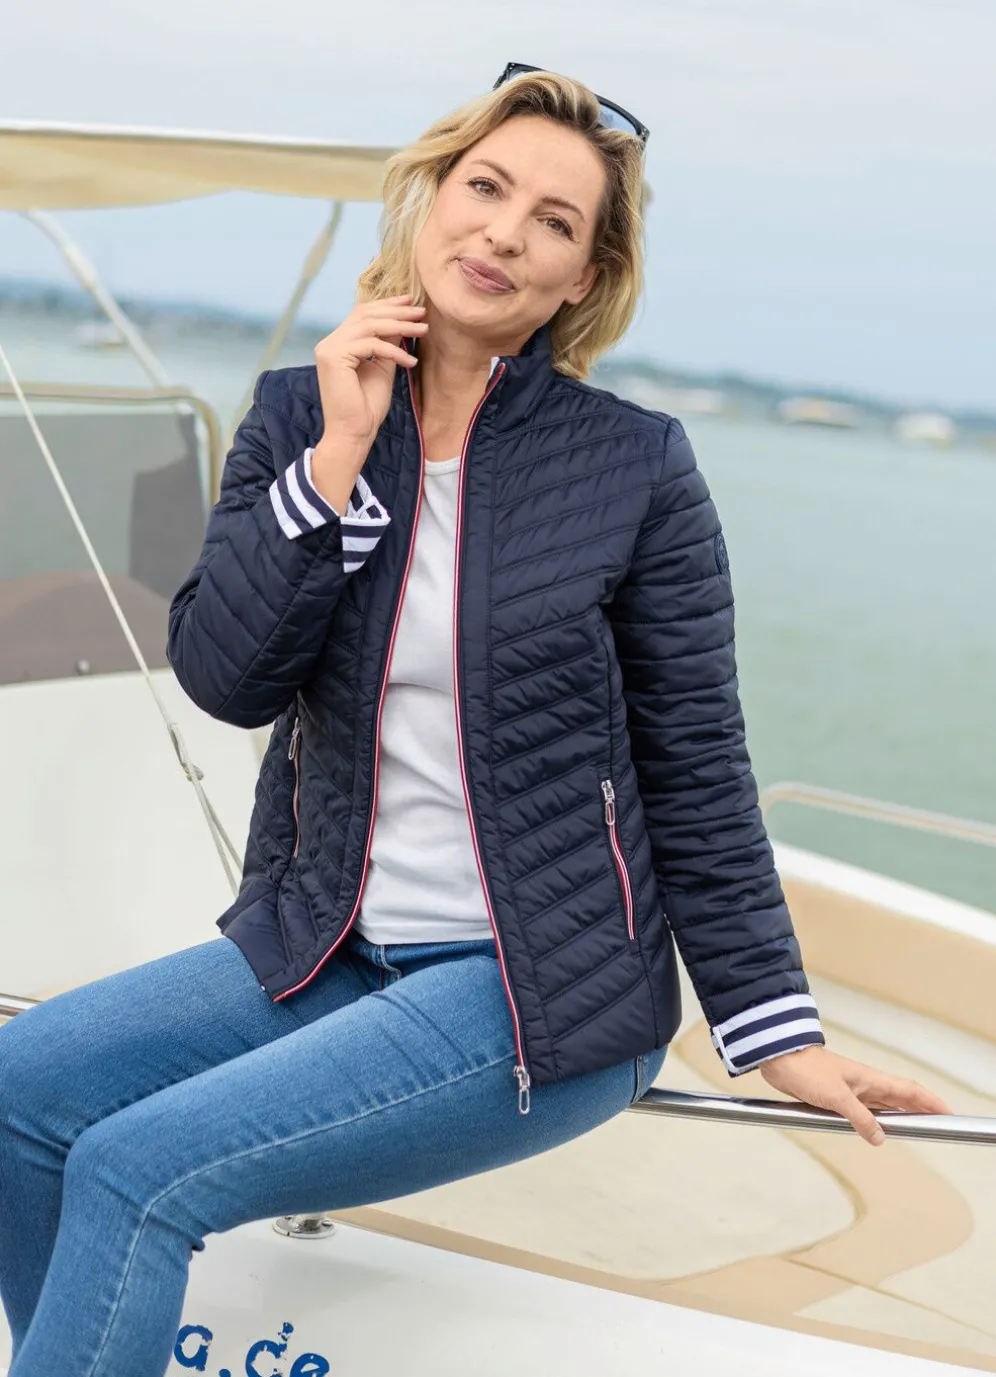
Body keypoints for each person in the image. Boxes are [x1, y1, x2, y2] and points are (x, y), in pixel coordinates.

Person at [0, 65, 949, 1377]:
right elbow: (225, 680)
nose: (505, 232)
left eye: (553, 222)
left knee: (134, 1169)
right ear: (431, 198)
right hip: (327, 943)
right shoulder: (297, 412)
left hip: (537, 983)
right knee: (20, 1093)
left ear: (581, 279)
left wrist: (775, 1031)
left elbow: (697, 763)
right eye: (486, 187)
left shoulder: (634, 469)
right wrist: (336, 460)